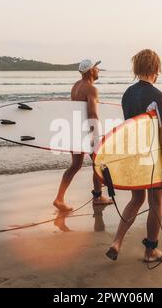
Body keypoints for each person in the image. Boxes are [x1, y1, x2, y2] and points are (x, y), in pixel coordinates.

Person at [106, 49, 162, 263]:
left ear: (137, 69)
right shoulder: (158, 96)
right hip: (152, 158)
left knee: (137, 199)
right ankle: (151, 251)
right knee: (155, 202)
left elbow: (139, 120)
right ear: (156, 68)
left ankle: (117, 242)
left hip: (133, 154)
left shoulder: (127, 94)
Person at [53, 59, 112, 212]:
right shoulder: (91, 89)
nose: (98, 70)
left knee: (75, 165)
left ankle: (59, 198)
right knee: (98, 163)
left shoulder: (76, 86)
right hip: (87, 132)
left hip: (75, 131)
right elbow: (92, 113)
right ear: (90, 71)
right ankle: (98, 197)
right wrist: (96, 136)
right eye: (96, 68)